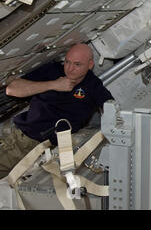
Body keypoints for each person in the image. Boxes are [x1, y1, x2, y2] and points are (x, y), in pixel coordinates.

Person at [0, 43, 113, 179]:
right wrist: (54, 84)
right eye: (67, 62)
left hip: (53, 151)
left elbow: (111, 109)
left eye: (77, 64)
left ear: (90, 65)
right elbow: (12, 89)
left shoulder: (93, 85)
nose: (70, 69)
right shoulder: (52, 71)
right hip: (23, 141)